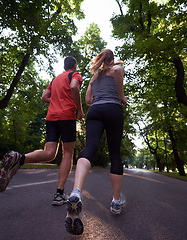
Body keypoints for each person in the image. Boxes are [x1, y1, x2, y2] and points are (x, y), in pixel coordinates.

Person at [0, 56, 84, 206]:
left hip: (51, 117)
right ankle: (59, 194)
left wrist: (56, 100)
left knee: (49, 153)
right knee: (68, 153)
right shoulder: (74, 75)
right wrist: (79, 110)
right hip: (67, 115)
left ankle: (19, 158)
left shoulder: (55, 80)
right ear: (74, 66)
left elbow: (44, 97)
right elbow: (74, 87)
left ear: (64, 65)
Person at [64, 49, 127, 235]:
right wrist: (121, 97)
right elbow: (120, 89)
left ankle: (76, 191)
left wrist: (99, 96)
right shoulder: (117, 68)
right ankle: (116, 201)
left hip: (95, 112)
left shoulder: (94, 77)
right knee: (115, 152)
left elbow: (88, 100)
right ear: (112, 59)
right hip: (113, 109)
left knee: (89, 148)